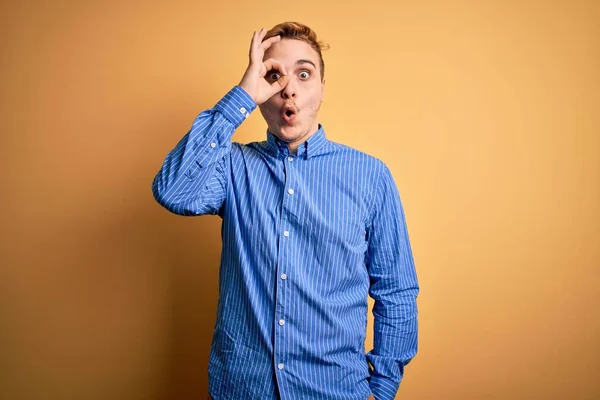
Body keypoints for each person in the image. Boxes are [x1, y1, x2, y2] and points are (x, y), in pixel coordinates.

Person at [152, 21, 419, 400]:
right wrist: (242, 94)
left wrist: (384, 386)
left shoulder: (370, 176)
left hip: (335, 391)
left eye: (304, 74)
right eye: (273, 76)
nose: (289, 88)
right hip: (242, 389)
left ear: (322, 88)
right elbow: (173, 190)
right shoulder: (232, 168)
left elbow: (396, 290)